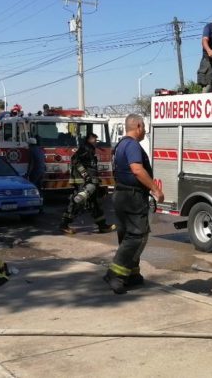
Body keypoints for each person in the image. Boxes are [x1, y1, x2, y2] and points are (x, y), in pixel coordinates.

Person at [104, 114, 164, 294]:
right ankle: (115, 274)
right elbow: (137, 170)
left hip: (121, 194)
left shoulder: (121, 144)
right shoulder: (132, 145)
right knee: (138, 235)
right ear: (138, 126)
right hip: (132, 197)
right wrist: (155, 189)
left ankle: (131, 275)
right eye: (144, 126)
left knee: (127, 234)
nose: (145, 130)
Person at [59, 132, 116, 235]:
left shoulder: (90, 149)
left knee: (94, 203)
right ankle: (64, 224)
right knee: (78, 202)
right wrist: (85, 175)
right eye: (95, 139)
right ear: (89, 139)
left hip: (89, 180)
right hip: (83, 181)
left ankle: (102, 226)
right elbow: (75, 160)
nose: (96, 142)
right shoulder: (85, 148)